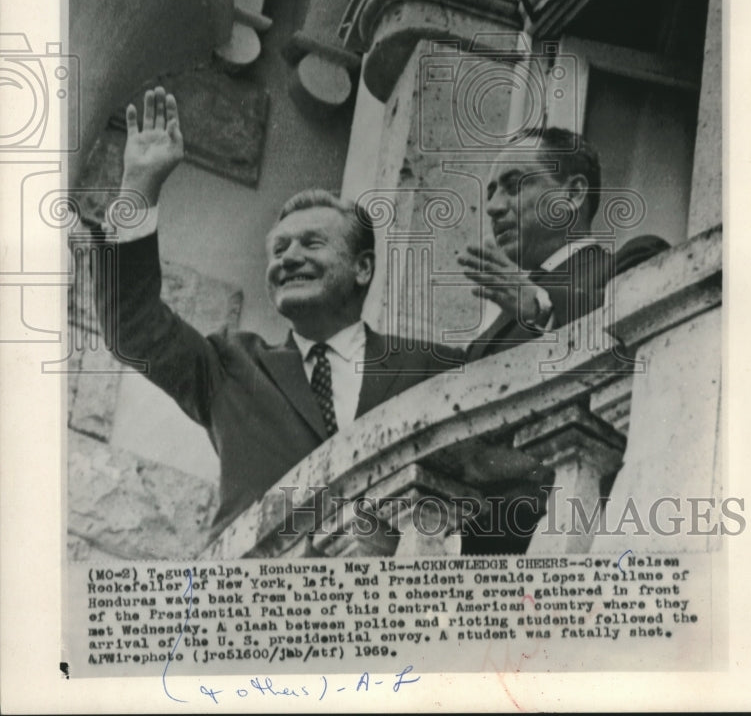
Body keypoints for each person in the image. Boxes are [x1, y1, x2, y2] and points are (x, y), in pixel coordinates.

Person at [95, 86, 462, 543]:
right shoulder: (232, 365)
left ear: (362, 268)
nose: (287, 258)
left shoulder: (427, 368)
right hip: (255, 603)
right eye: (278, 249)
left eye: (311, 243)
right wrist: (139, 188)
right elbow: (133, 328)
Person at [458, 126, 614, 360]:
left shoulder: (633, 262)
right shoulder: (500, 319)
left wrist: (541, 308)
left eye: (514, 186)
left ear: (572, 194)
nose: (492, 207)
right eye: (491, 193)